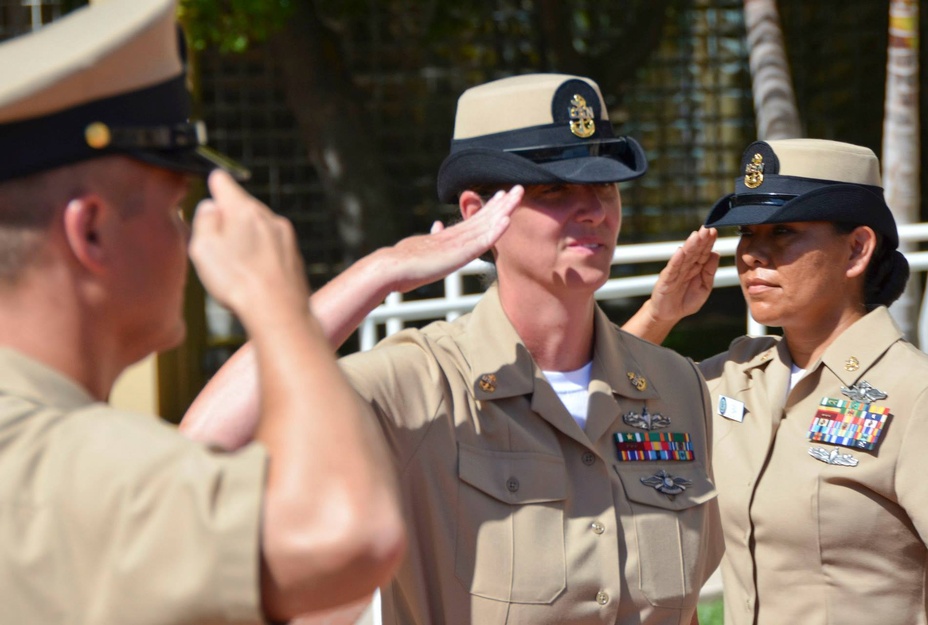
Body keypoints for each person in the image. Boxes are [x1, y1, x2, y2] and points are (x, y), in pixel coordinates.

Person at [182, 73, 723, 625]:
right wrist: (379, 273)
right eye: (554, 190)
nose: (594, 210)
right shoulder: (421, 383)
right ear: (476, 213)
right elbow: (203, 448)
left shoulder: (674, 385)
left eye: (606, 185)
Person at [0, 0, 427, 621]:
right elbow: (347, 530)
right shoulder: (52, 459)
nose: (188, 239)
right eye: (173, 210)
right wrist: (276, 302)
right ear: (90, 231)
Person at [623, 138, 928, 625]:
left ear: (857, 248)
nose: (753, 254)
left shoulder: (923, 399)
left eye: (782, 231)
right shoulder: (734, 379)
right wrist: (660, 312)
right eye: (747, 234)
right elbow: (599, 410)